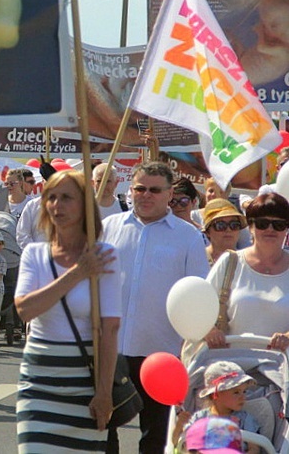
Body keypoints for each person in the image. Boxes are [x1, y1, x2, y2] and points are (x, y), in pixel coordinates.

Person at [102, 161, 210, 453]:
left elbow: (198, 291)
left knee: (156, 435)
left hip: (162, 353)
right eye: (139, 188)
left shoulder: (187, 236)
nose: (145, 195)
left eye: (154, 190)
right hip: (113, 350)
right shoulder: (108, 228)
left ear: (169, 193)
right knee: (103, 429)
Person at [15, 170, 121, 452]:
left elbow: (110, 329)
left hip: (85, 383)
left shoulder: (104, 255)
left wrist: (104, 392)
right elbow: (25, 309)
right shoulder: (34, 254)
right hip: (38, 383)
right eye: (51, 197)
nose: (56, 205)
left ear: (84, 204)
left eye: (66, 198)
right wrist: (77, 273)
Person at [204, 193, 289, 351]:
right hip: (231, 364)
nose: (270, 229)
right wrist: (210, 331)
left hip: (283, 367)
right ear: (250, 227)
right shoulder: (230, 262)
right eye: (262, 223)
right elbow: (199, 308)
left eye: (278, 225)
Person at [172, 361, 260, 454]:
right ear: (216, 394)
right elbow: (176, 442)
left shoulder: (245, 419)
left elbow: (254, 448)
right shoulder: (200, 417)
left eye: (244, 391)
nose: (243, 397)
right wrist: (180, 425)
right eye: (236, 392)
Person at [202, 199, 247, 266]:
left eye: (234, 225)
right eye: (221, 225)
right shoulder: (197, 258)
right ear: (207, 232)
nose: (228, 229)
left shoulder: (247, 262)